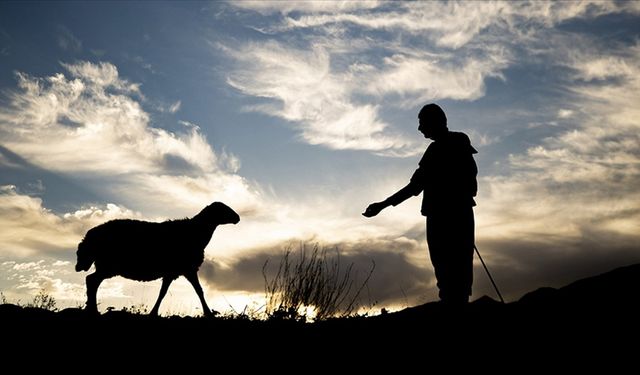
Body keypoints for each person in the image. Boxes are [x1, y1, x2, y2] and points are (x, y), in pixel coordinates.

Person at [363, 103, 478, 305]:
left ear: (434, 122)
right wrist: (383, 204)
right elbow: (416, 186)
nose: (419, 128)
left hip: (446, 216)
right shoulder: (454, 143)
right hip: (454, 214)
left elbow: (415, 186)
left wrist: (383, 205)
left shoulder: (444, 146)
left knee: (451, 268)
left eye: (422, 123)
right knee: (452, 269)